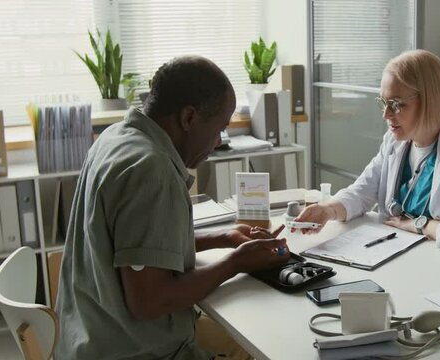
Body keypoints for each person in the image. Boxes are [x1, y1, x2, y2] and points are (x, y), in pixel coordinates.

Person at [55, 55, 290, 359]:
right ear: (189, 118)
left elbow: (133, 247)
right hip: (136, 351)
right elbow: (151, 301)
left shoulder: (115, 138)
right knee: (270, 344)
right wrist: (236, 262)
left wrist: (224, 237)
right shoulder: (151, 169)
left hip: (86, 339)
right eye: (219, 127)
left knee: (243, 340)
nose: (219, 140)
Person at [295, 49, 440, 255]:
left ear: (431, 102)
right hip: (406, 256)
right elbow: (362, 192)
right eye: (384, 103)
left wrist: (421, 226)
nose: (386, 114)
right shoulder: (395, 142)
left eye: (396, 104)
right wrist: (327, 209)